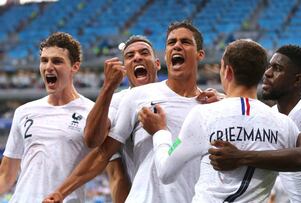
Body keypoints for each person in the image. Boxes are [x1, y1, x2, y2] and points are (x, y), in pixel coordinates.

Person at [43, 20, 206, 203]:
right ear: (167, 55)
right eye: (171, 43)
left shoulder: (210, 105)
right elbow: (101, 151)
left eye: (185, 42)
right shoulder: (130, 98)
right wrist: (61, 192)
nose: (177, 46)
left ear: (158, 62)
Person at [137, 39, 300, 202]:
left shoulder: (203, 115)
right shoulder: (285, 125)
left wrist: (160, 132)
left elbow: (166, 173)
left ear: (227, 71)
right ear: (261, 75)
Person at [208, 44, 301, 202]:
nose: (267, 73)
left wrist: (240, 157)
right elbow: (253, 110)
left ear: (297, 80)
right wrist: (225, 99)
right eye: (268, 67)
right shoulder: (273, 116)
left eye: (277, 68)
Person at [0, 32, 94, 202]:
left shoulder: (92, 112)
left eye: (57, 61)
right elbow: (6, 174)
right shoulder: (24, 112)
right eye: (44, 60)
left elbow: (104, 162)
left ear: (75, 67)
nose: (48, 67)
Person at [83, 35, 161, 202]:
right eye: (130, 56)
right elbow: (92, 139)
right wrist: (108, 87)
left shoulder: (175, 95)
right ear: (125, 68)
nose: (137, 57)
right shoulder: (120, 100)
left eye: (144, 53)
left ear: (157, 63)